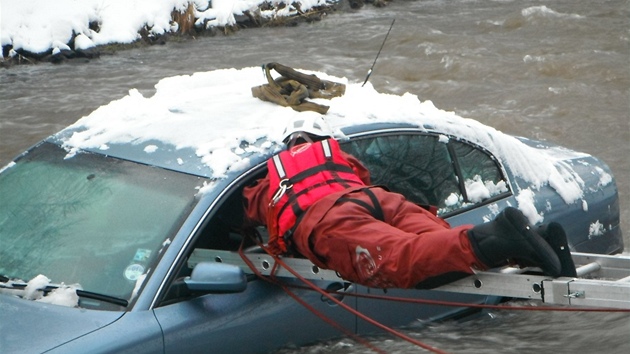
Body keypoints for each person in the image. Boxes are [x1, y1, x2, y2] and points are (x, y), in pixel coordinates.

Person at [242, 116, 576, 289]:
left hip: (329, 221)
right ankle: (533, 240)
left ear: (288, 144)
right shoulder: (337, 157)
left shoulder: (273, 174)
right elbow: (362, 175)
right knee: (433, 243)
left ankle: (504, 238)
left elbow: (244, 211)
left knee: (403, 262)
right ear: (324, 140)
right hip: (376, 199)